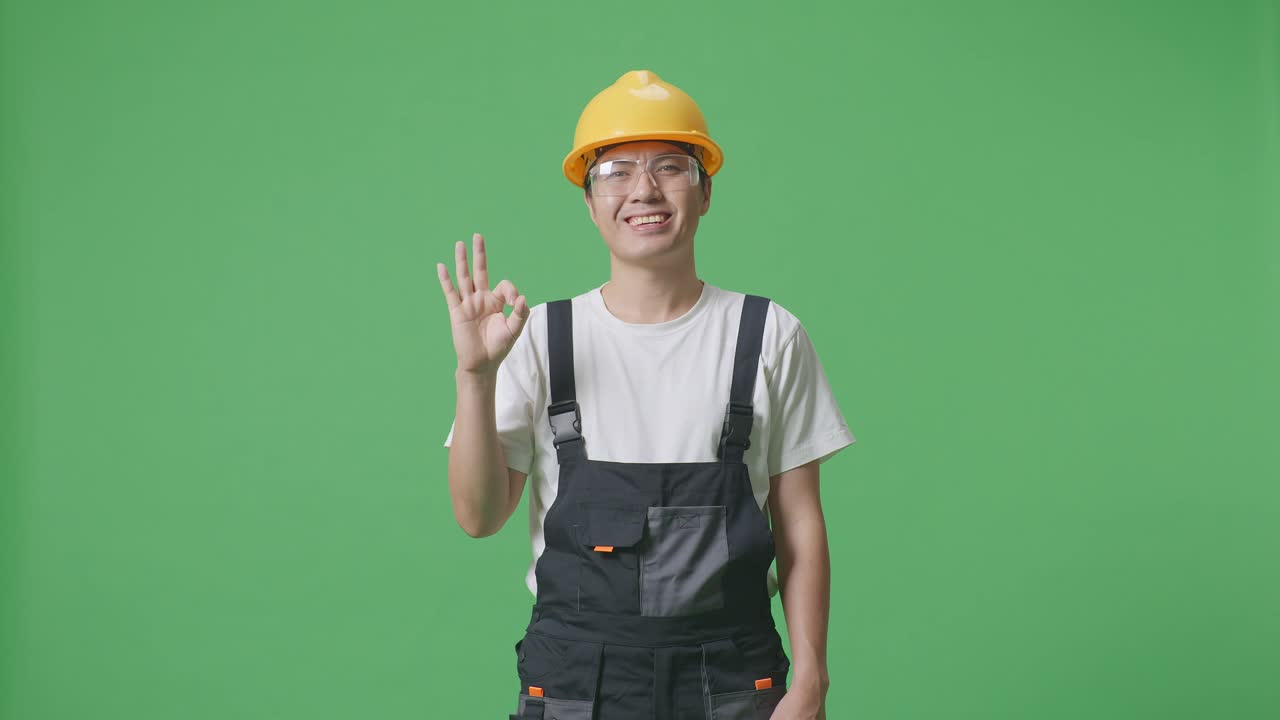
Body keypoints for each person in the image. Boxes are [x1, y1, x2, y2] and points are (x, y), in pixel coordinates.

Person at [438, 70, 855, 720]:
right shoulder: (538, 337)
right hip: (577, 685)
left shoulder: (769, 334)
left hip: (735, 682)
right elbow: (478, 516)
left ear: (706, 191)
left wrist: (811, 681)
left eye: (670, 166)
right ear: (588, 201)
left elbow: (800, 522)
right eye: (616, 171)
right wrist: (474, 376)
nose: (644, 190)